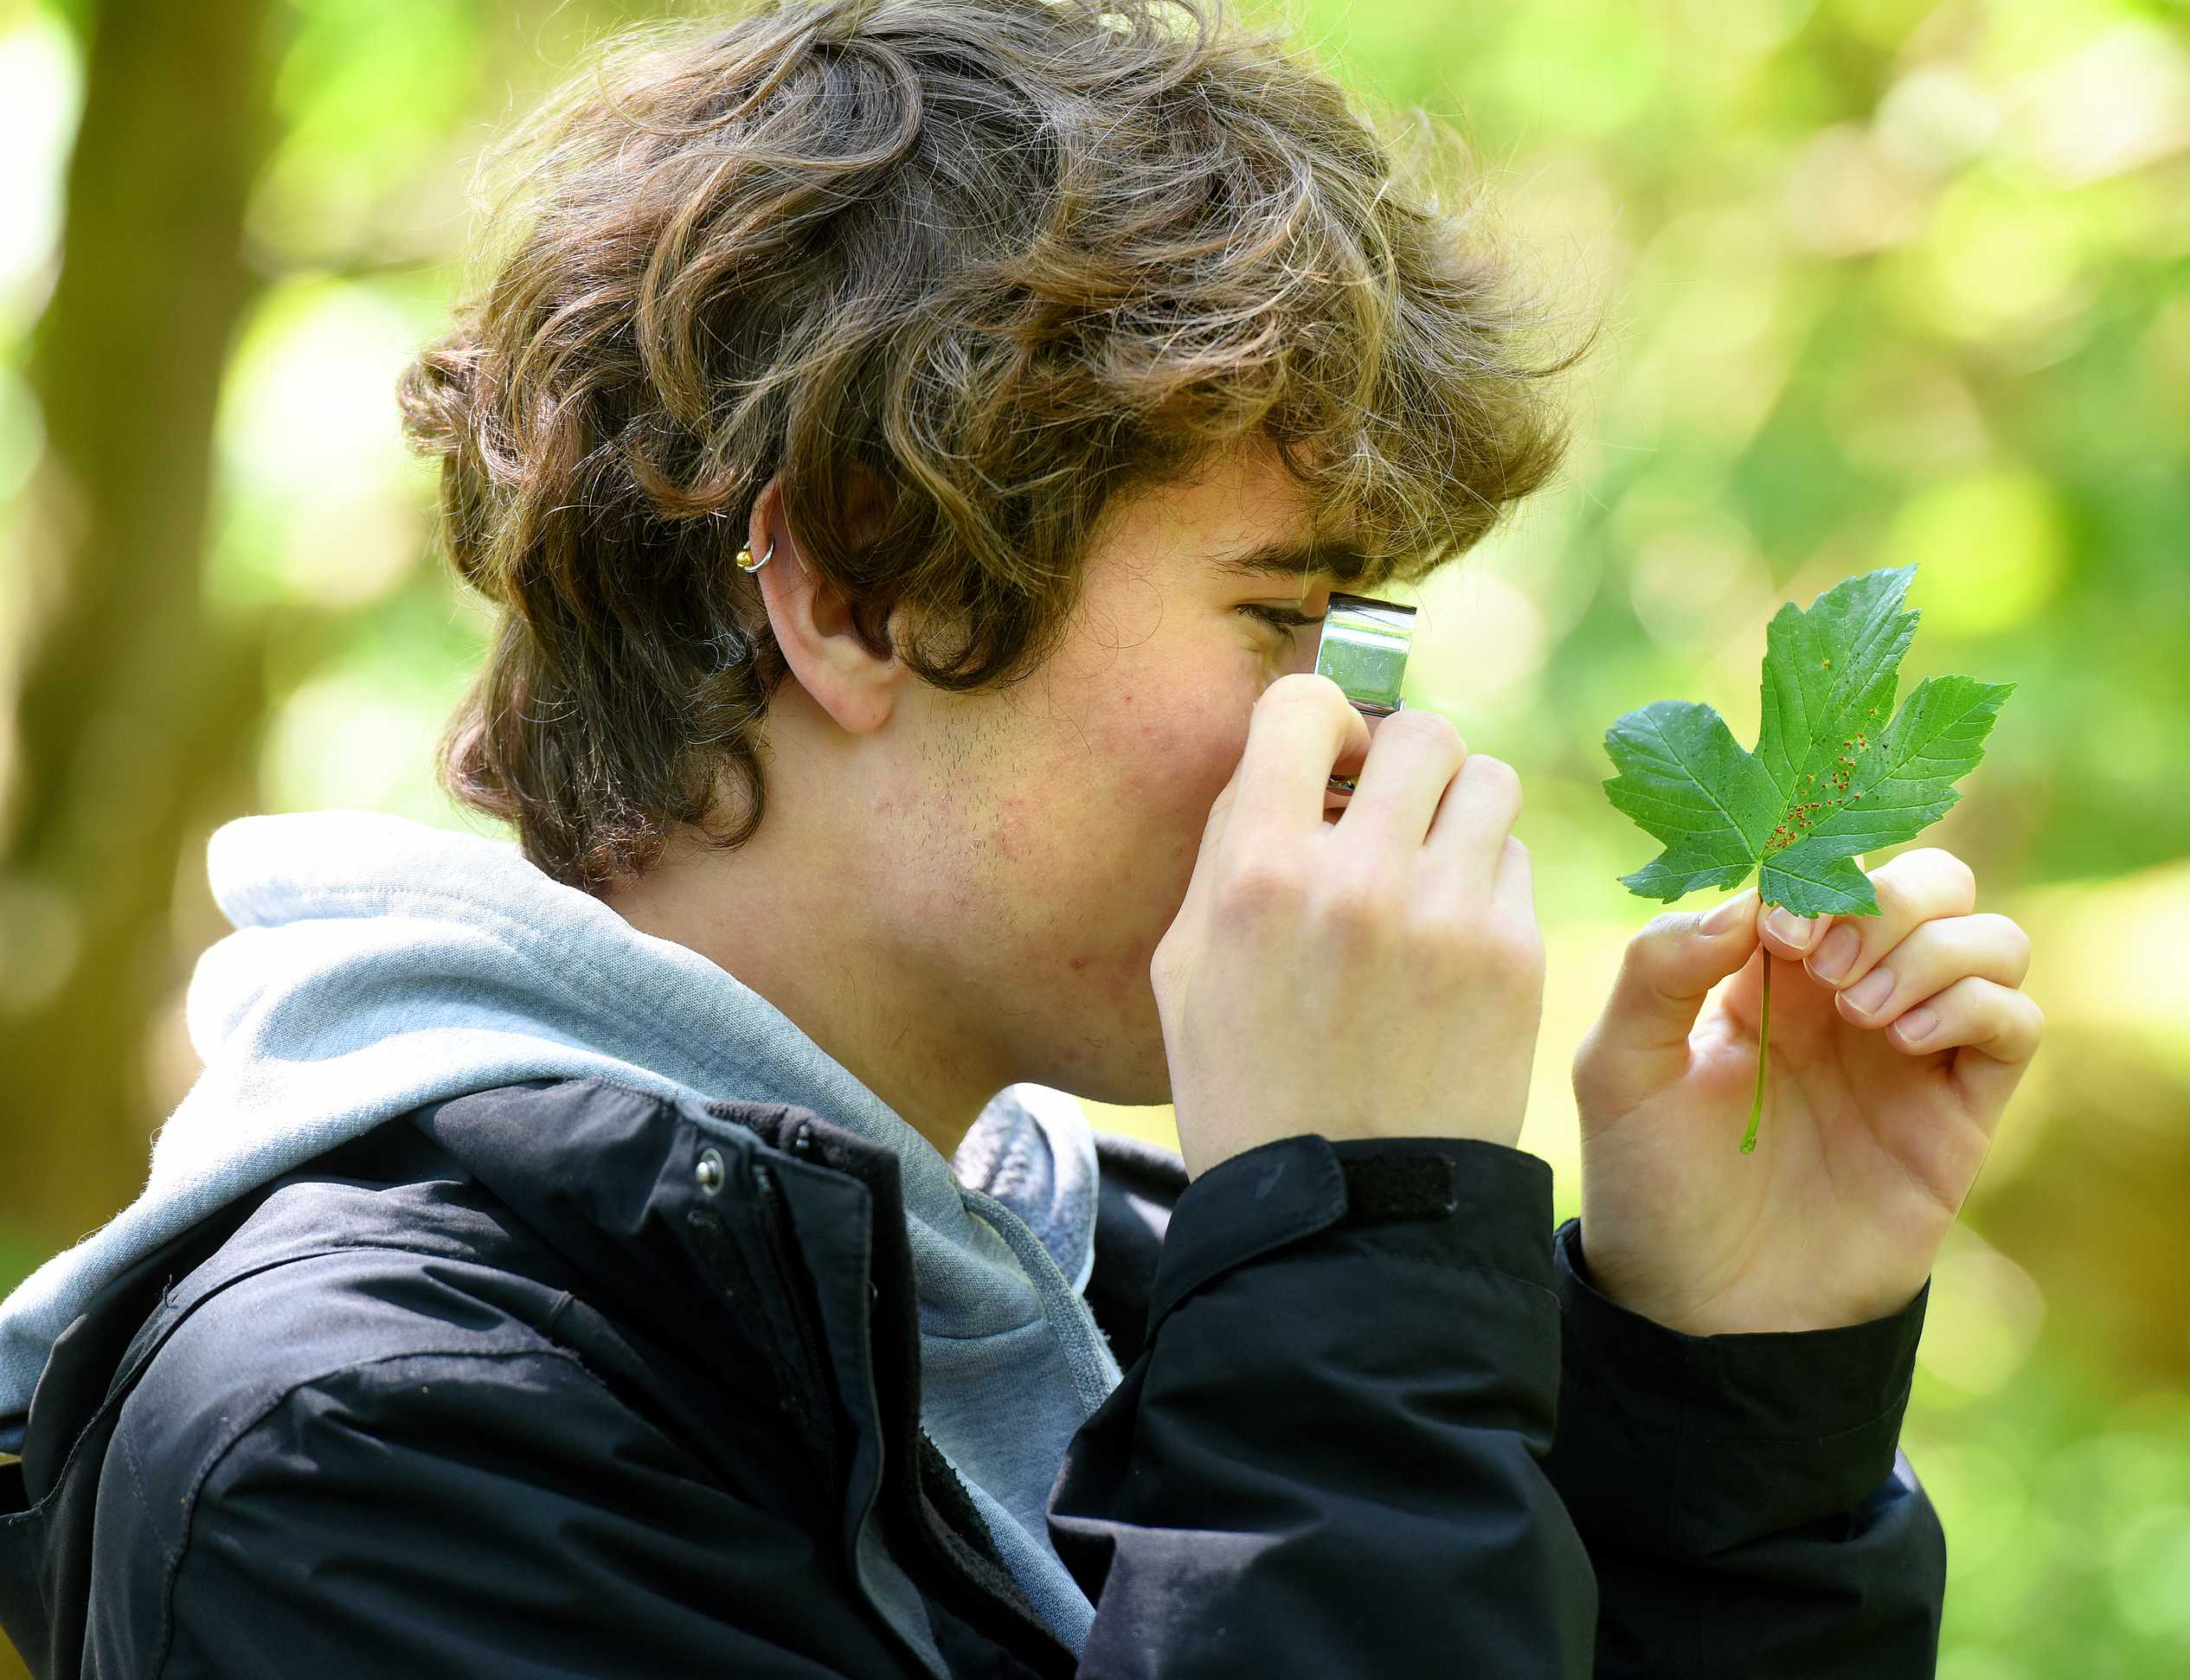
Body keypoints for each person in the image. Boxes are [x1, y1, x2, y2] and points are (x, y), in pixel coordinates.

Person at [0, 0, 2043, 1674]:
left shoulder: (1119, 1282)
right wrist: (1352, 1244)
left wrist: (1719, 1406)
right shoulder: (372, 1444)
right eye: (1283, 619)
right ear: (859, 592)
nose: (1353, 748)